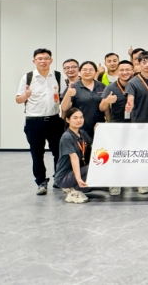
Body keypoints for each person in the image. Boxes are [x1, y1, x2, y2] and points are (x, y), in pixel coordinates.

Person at [15, 48, 63, 195]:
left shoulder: (57, 76)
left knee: (59, 152)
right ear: (34, 61)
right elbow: (18, 100)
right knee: (37, 153)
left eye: (46, 58)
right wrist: (26, 95)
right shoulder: (28, 77)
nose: (43, 61)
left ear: (51, 60)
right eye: (40, 59)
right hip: (34, 122)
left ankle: (58, 178)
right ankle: (41, 182)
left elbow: (63, 97)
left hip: (54, 120)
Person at [124, 51, 148, 195]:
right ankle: (140, 181)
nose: (147, 65)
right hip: (140, 122)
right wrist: (129, 105)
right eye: (144, 62)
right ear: (138, 64)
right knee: (140, 153)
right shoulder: (133, 82)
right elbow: (130, 98)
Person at [54, 108, 92, 204]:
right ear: (68, 120)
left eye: (81, 117)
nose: (79, 120)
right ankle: (73, 189)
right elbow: (74, 158)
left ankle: (76, 187)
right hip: (64, 177)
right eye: (75, 118)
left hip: (77, 171)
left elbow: (93, 147)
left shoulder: (82, 133)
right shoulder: (67, 137)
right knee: (93, 168)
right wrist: (78, 179)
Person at [60, 61, 105, 139]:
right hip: (79, 128)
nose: (87, 72)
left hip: (98, 126)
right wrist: (68, 94)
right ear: (79, 72)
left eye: (91, 70)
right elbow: (64, 108)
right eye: (84, 70)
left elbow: (106, 107)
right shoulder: (73, 86)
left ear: (95, 72)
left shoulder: (101, 86)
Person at [100, 60, 134, 127]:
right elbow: (102, 108)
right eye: (121, 70)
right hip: (117, 124)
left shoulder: (138, 85)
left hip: (136, 123)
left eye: (127, 70)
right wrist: (107, 101)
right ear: (117, 72)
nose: (124, 72)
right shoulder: (110, 87)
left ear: (133, 71)